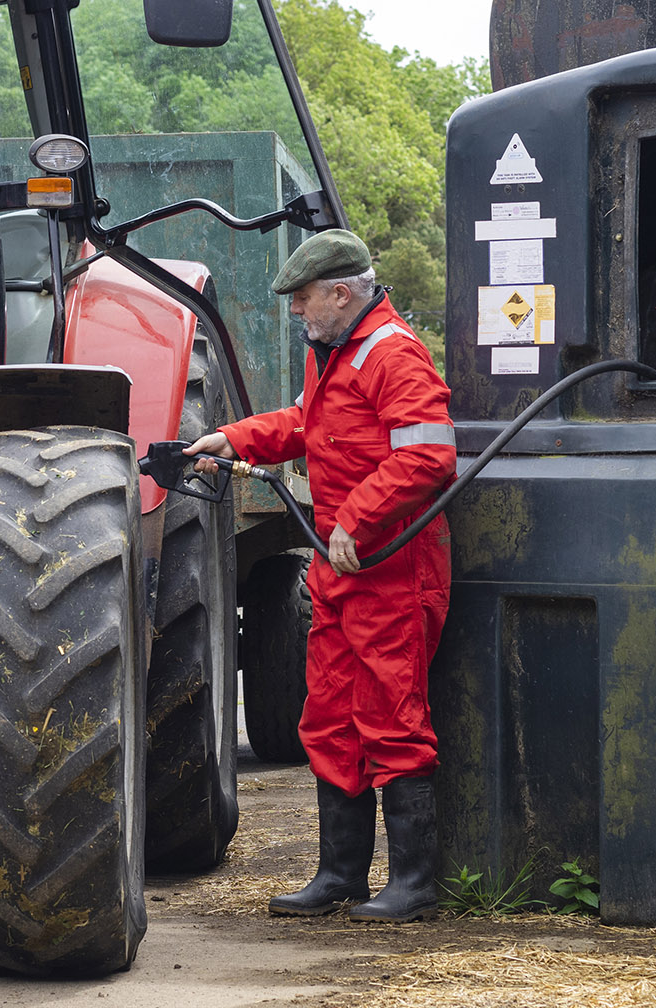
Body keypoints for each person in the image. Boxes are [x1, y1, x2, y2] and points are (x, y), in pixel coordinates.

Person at [184, 229, 454, 923]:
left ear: (342, 293)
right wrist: (238, 438)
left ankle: (414, 885)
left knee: (392, 720)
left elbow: (429, 458)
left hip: (392, 568)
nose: (297, 313)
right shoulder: (333, 354)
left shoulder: (395, 355)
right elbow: (312, 424)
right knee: (329, 719)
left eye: (303, 300)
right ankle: (340, 875)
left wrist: (354, 521)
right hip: (342, 575)